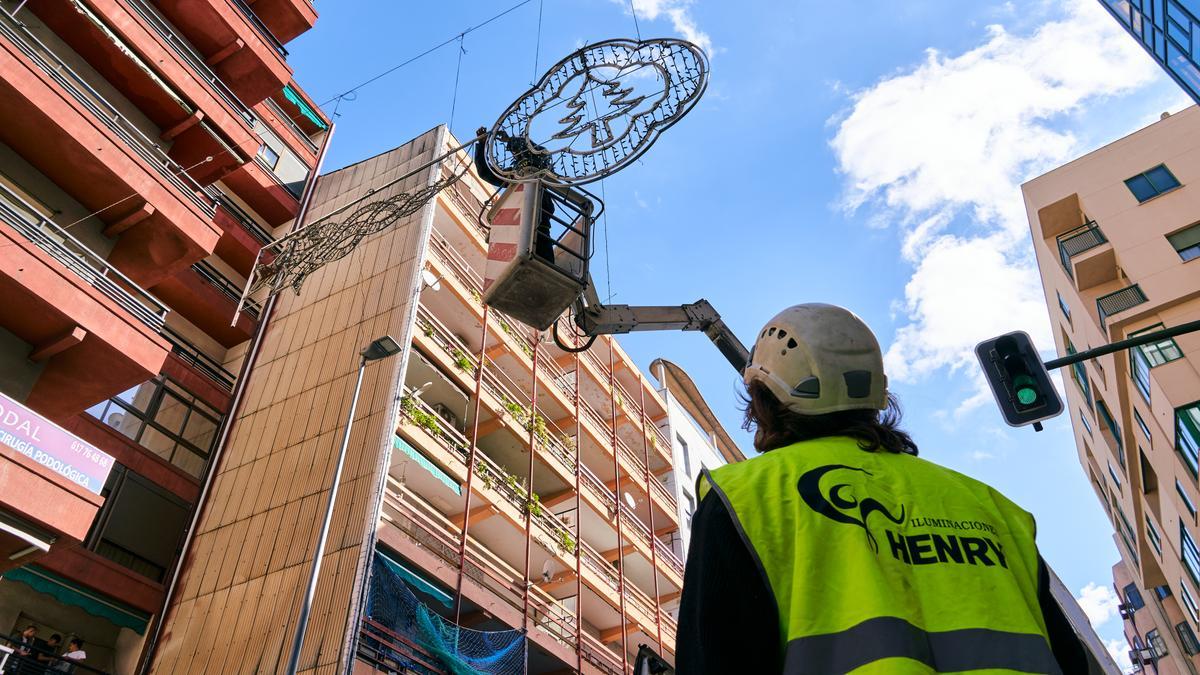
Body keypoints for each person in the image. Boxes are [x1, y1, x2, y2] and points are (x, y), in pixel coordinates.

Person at [675, 304, 1088, 674]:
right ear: (875, 393)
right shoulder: (990, 507)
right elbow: (1070, 659)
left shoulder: (744, 497)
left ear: (764, 399)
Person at [473, 127, 557, 263]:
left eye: (518, 152)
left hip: (539, 210)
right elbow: (486, 172)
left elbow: (540, 153)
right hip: (518, 213)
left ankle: (545, 266)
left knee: (541, 240)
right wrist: (482, 144)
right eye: (515, 153)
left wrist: (509, 140)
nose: (516, 155)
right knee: (521, 244)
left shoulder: (541, 162)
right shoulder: (514, 173)